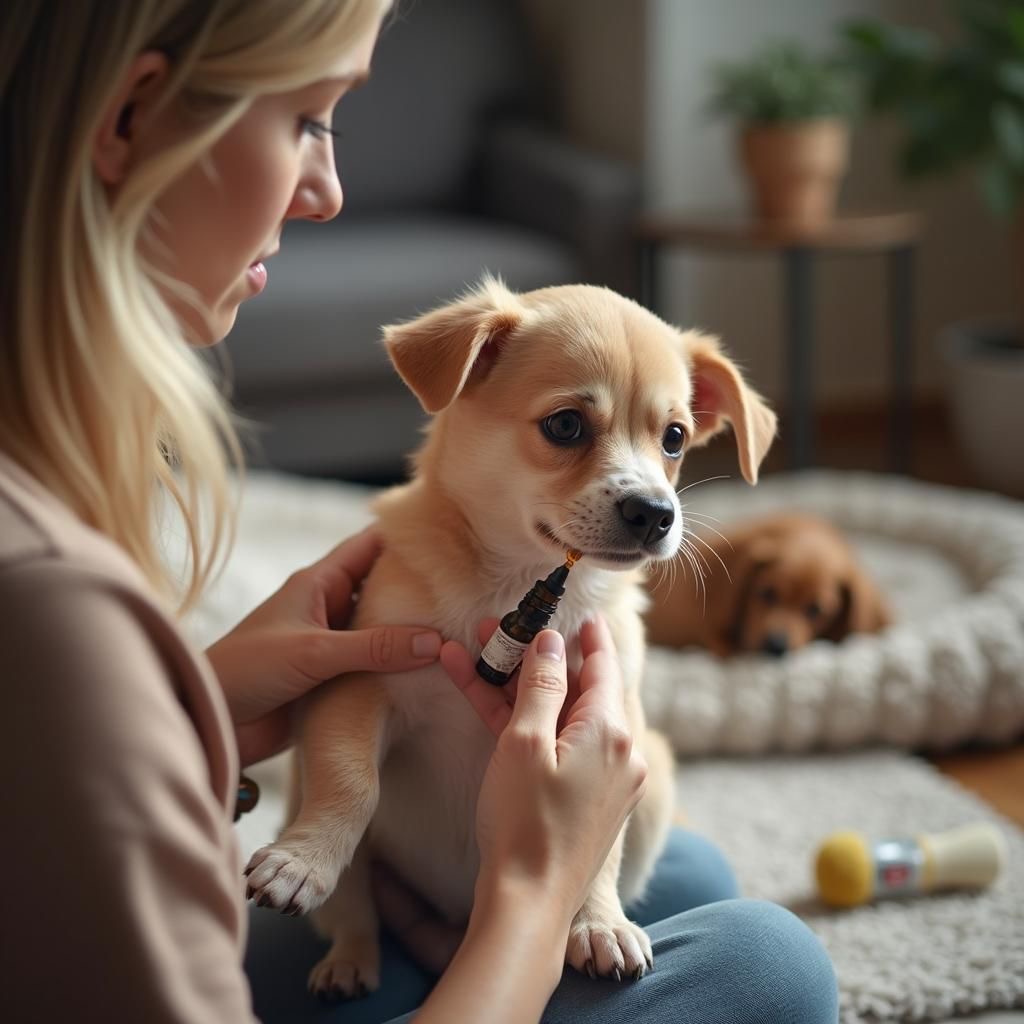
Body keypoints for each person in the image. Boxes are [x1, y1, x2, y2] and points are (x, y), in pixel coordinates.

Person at [0, 2, 839, 1022]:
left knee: (694, 867)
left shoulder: (39, 535)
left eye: (670, 441)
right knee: (769, 962)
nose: (330, 189)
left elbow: (66, 786)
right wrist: (526, 904)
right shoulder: (48, 601)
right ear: (131, 117)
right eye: (310, 119)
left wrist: (199, 709)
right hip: (394, 872)